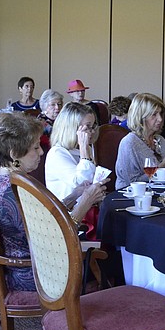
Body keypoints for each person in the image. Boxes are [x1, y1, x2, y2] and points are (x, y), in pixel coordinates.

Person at [0, 113, 104, 291]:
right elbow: (58, 235)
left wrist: (74, 195)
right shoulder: (15, 190)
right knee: (109, 263)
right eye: (35, 147)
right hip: (37, 274)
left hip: (24, 266)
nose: (41, 151)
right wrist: (85, 202)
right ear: (14, 154)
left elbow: (45, 217)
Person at [44, 103, 109, 240]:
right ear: (72, 128)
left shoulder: (84, 149)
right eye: (87, 127)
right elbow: (81, 183)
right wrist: (84, 148)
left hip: (87, 211)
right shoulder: (57, 153)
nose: (92, 131)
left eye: (93, 126)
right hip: (70, 218)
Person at [114, 93, 165, 189]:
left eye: (161, 113)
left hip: (159, 191)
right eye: (154, 114)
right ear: (141, 117)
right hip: (131, 194)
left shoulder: (160, 140)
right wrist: (161, 167)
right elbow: (132, 182)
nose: (160, 119)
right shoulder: (129, 143)